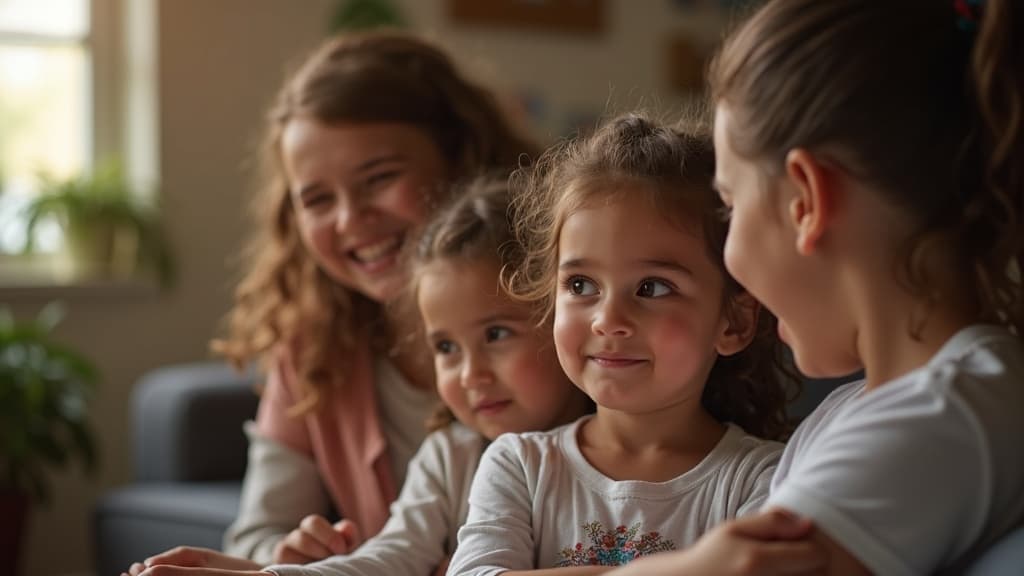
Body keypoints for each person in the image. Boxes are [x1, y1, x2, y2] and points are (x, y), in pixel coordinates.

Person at [607, 1, 1024, 574]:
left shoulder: (943, 413)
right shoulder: (865, 410)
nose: (729, 256)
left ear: (805, 201)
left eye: (731, 207)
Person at [124, 179, 592, 576]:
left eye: (496, 333)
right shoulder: (449, 458)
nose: (470, 373)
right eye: (445, 348)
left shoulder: (633, 448)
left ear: (562, 318)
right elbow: (387, 559)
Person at [204, 30, 536, 566]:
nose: (350, 220)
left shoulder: (561, 311)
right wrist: (288, 553)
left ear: (461, 159)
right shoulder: (313, 352)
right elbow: (255, 536)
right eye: (316, 200)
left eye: (379, 178)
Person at [446, 114, 796, 575]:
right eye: (580, 285)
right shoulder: (521, 466)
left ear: (733, 321)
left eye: (652, 287)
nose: (608, 321)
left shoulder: (761, 479)